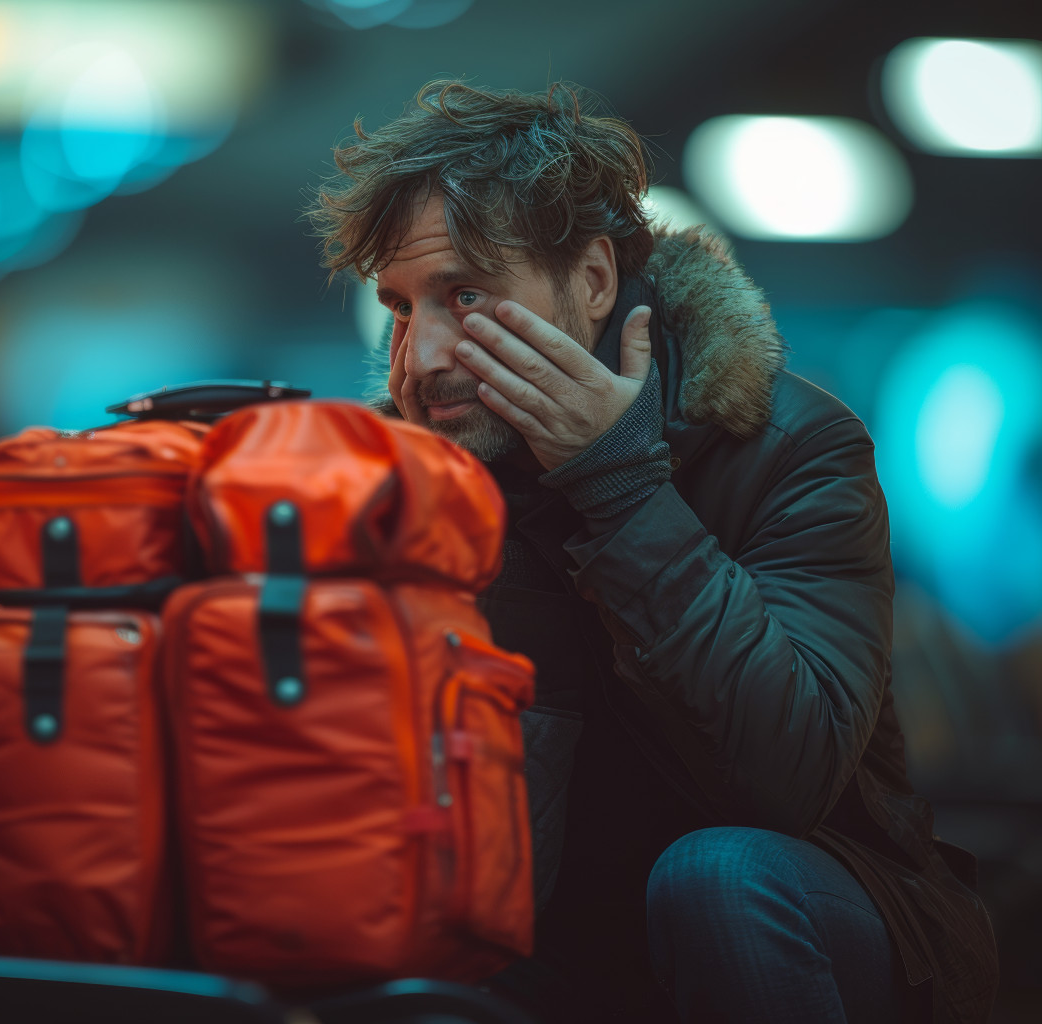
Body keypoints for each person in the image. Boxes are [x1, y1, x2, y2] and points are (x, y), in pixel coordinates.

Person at [304, 80, 998, 1023]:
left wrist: (619, 483)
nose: (418, 361)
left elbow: (781, 779)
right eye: (398, 306)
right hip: (549, 927)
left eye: (466, 295)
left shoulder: (792, 447)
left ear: (592, 280)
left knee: (717, 877)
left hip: (813, 904)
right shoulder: (417, 489)